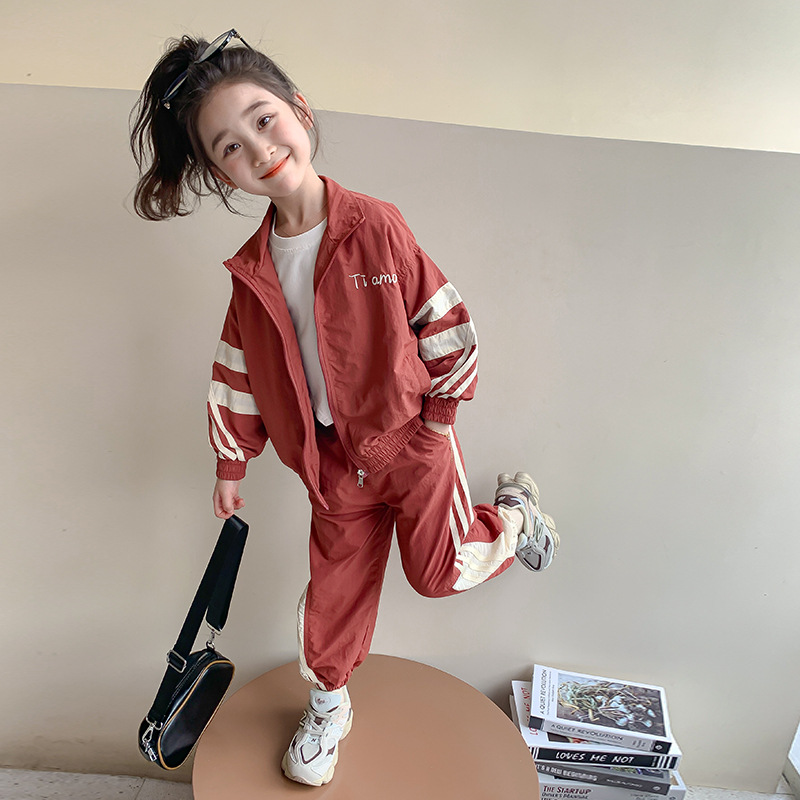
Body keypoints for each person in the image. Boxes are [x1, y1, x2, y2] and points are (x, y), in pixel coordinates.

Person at [130, 29, 560, 787]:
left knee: (438, 574)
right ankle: (329, 707)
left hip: (413, 444)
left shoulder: (375, 226)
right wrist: (231, 462)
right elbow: (237, 372)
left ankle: (515, 517)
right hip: (330, 468)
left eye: (264, 119)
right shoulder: (251, 271)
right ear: (221, 172)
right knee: (330, 602)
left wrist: (438, 424)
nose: (258, 149)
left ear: (298, 108)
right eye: (230, 147)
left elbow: (445, 322)